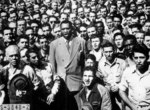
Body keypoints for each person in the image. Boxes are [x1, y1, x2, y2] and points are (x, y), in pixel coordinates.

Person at [49, 20, 85, 92]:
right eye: (63, 29)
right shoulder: (54, 44)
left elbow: (84, 62)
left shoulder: (81, 41)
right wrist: (55, 78)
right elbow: (52, 64)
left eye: (67, 28)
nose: (65, 31)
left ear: (71, 29)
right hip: (62, 80)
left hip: (77, 80)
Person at [119, 44, 150, 110]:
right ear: (133, 58)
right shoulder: (128, 72)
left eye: (142, 57)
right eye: (136, 58)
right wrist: (132, 106)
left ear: (147, 57)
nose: (138, 61)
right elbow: (121, 91)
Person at [98, 42, 127, 110]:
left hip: (121, 93)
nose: (108, 54)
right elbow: (100, 80)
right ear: (103, 52)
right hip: (108, 94)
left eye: (110, 51)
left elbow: (126, 79)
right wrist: (107, 87)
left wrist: (118, 86)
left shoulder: (122, 62)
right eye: (106, 52)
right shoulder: (101, 64)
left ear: (114, 51)